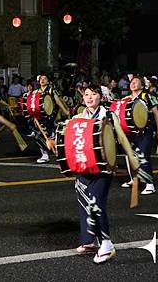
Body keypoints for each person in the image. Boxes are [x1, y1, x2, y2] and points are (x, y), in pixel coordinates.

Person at [47, 85, 140, 264]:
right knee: (84, 203)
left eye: (94, 94)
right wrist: (54, 142)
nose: (89, 97)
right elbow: (67, 138)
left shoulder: (108, 115)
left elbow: (121, 138)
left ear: (101, 97)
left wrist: (132, 157)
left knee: (96, 203)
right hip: (82, 165)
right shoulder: (78, 117)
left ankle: (107, 244)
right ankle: (89, 240)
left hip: (103, 167)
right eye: (86, 95)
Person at [120, 76, 158, 195]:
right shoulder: (127, 99)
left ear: (142, 85)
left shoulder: (148, 97)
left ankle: (149, 184)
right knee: (130, 156)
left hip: (145, 131)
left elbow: (156, 114)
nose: (133, 84)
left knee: (143, 155)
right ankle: (134, 179)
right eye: (131, 82)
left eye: (136, 82)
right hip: (131, 132)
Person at [28, 74, 70, 163]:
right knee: (38, 135)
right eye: (41, 79)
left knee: (47, 135)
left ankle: (58, 153)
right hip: (39, 117)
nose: (42, 80)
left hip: (50, 117)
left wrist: (65, 111)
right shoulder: (36, 92)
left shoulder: (51, 90)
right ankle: (45, 154)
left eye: (45, 79)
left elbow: (58, 101)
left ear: (48, 81)